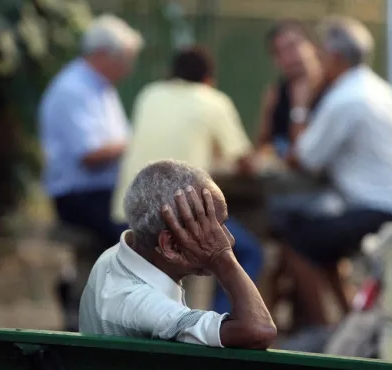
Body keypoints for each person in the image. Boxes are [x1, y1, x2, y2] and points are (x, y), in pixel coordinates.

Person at [110, 47, 263, 314]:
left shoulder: (149, 94)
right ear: (208, 78)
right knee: (248, 252)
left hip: (125, 213)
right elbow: (245, 163)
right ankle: (222, 325)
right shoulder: (213, 100)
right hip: (175, 220)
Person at [282, 16, 392, 268]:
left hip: (382, 210)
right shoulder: (378, 89)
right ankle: (349, 307)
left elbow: (303, 158)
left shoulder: (343, 98)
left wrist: (299, 104)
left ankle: (331, 308)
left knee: (295, 240)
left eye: (321, 55)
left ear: (336, 56)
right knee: (319, 236)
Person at [79, 160, 277, 349]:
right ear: (170, 245)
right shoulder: (141, 305)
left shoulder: (113, 257)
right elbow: (259, 330)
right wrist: (221, 257)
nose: (229, 240)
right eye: (211, 230)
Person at [39, 14, 144, 248]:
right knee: (147, 239)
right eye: (124, 59)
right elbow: (90, 155)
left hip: (107, 193)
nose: (128, 69)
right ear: (101, 54)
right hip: (82, 198)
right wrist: (139, 143)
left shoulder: (102, 87)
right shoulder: (73, 89)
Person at [255, 20, 327, 158]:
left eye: (293, 46)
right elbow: (263, 143)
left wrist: (299, 108)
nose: (289, 56)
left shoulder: (333, 90)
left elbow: (304, 154)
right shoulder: (276, 94)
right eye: (280, 52)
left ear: (312, 46)